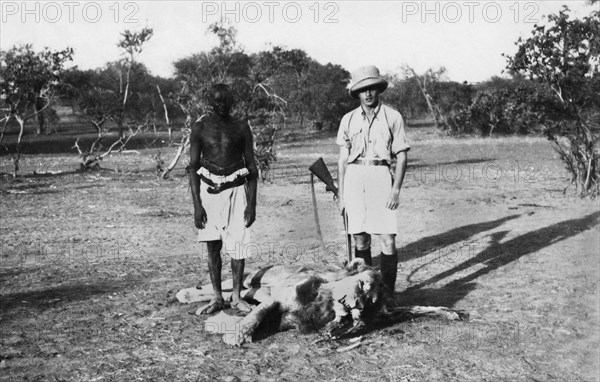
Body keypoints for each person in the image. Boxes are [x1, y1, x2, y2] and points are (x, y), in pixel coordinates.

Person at [336, 65, 410, 301]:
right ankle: (365, 293)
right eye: (363, 90)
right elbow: (342, 160)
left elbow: (402, 156)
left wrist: (395, 189)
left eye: (372, 89)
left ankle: (387, 294)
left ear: (378, 90)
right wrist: (341, 194)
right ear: (357, 93)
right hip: (354, 177)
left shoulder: (393, 116)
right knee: (360, 237)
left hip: (381, 176)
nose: (368, 94)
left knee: (387, 238)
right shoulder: (347, 119)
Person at [189, 83, 258, 314]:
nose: (221, 104)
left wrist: (252, 204)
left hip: (237, 191)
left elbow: (251, 166)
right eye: (217, 100)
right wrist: (197, 205)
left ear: (232, 101)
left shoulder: (241, 126)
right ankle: (218, 297)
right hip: (209, 193)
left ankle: (237, 296)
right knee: (212, 246)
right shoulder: (200, 128)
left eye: (225, 100)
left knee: (238, 246)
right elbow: (193, 168)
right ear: (210, 101)